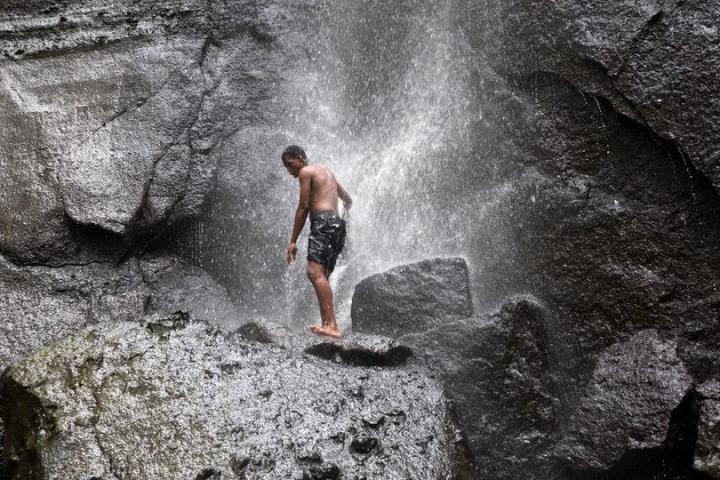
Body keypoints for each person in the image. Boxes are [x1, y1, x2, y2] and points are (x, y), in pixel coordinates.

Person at [282, 145, 352, 338]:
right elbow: (348, 199)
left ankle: (332, 325)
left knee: (314, 272)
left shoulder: (306, 171)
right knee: (323, 276)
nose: (289, 171)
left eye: (289, 164)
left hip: (323, 222)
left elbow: (303, 207)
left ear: (299, 158)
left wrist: (293, 241)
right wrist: (344, 213)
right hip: (337, 225)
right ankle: (327, 324)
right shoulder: (326, 172)